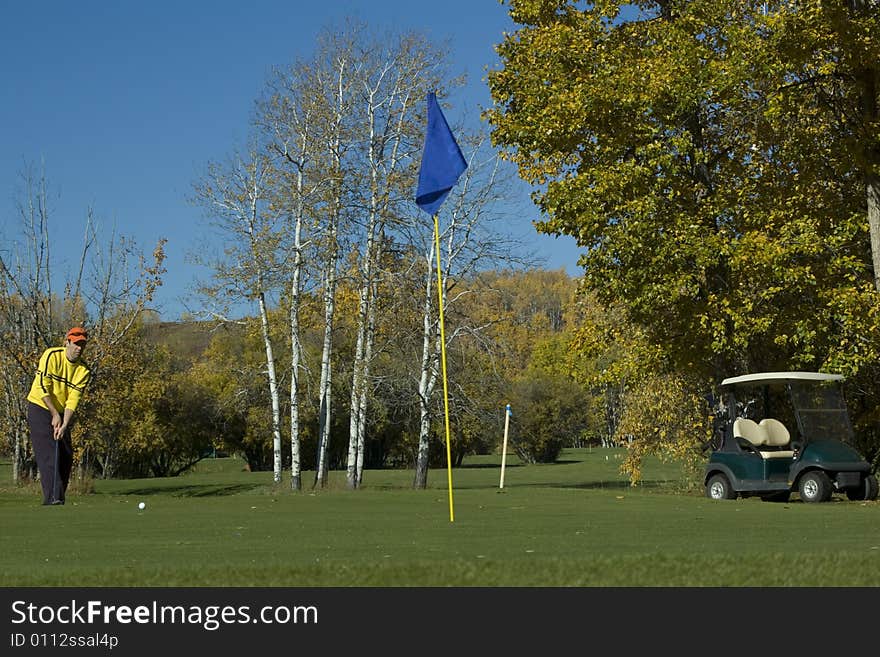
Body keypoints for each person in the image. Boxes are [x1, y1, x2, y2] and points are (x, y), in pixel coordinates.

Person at [26, 327, 92, 505]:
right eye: (76, 343)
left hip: (62, 412)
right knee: (49, 453)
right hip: (40, 406)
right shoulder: (52, 355)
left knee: (66, 454)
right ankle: (53, 498)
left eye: (82, 344)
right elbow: (42, 386)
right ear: (67, 342)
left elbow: (73, 399)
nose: (79, 347)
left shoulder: (83, 370)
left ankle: (58, 497)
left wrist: (64, 423)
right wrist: (54, 414)